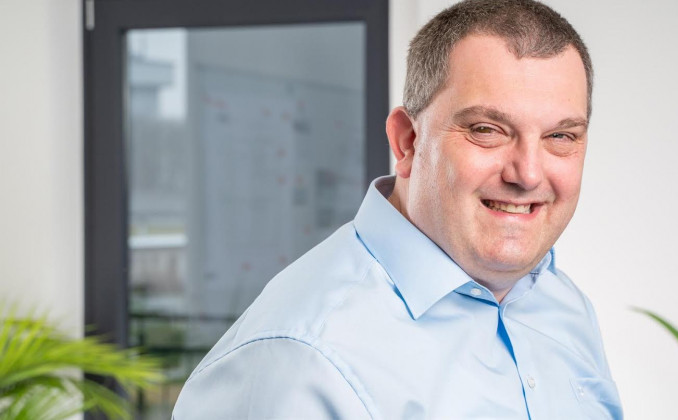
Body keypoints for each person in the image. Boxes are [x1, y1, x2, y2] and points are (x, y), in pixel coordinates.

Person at [173, 0, 623, 418]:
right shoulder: (300, 360)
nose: (528, 174)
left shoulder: (562, 304)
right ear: (407, 141)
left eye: (560, 136)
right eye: (487, 129)